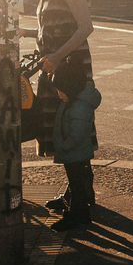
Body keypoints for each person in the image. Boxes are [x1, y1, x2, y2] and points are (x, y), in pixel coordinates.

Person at [21, 0, 94, 211]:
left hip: (70, 71)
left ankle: (80, 207)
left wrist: (57, 57)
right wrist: (26, 32)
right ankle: (78, 193)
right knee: (64, 133)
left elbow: (85, 27)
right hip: (56, 70)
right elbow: (51, 28)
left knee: (72, 133)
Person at [49, 55, 101, 232]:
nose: (58, 94)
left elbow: (76, 135)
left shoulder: (79, 107)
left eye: (60, 90)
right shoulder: (72, 101)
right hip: (74, 153)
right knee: (77, 186)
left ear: (70, 88)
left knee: (77, 187)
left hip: (74, 153)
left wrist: (63, 145)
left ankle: (76, 215)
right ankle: (81, 214)